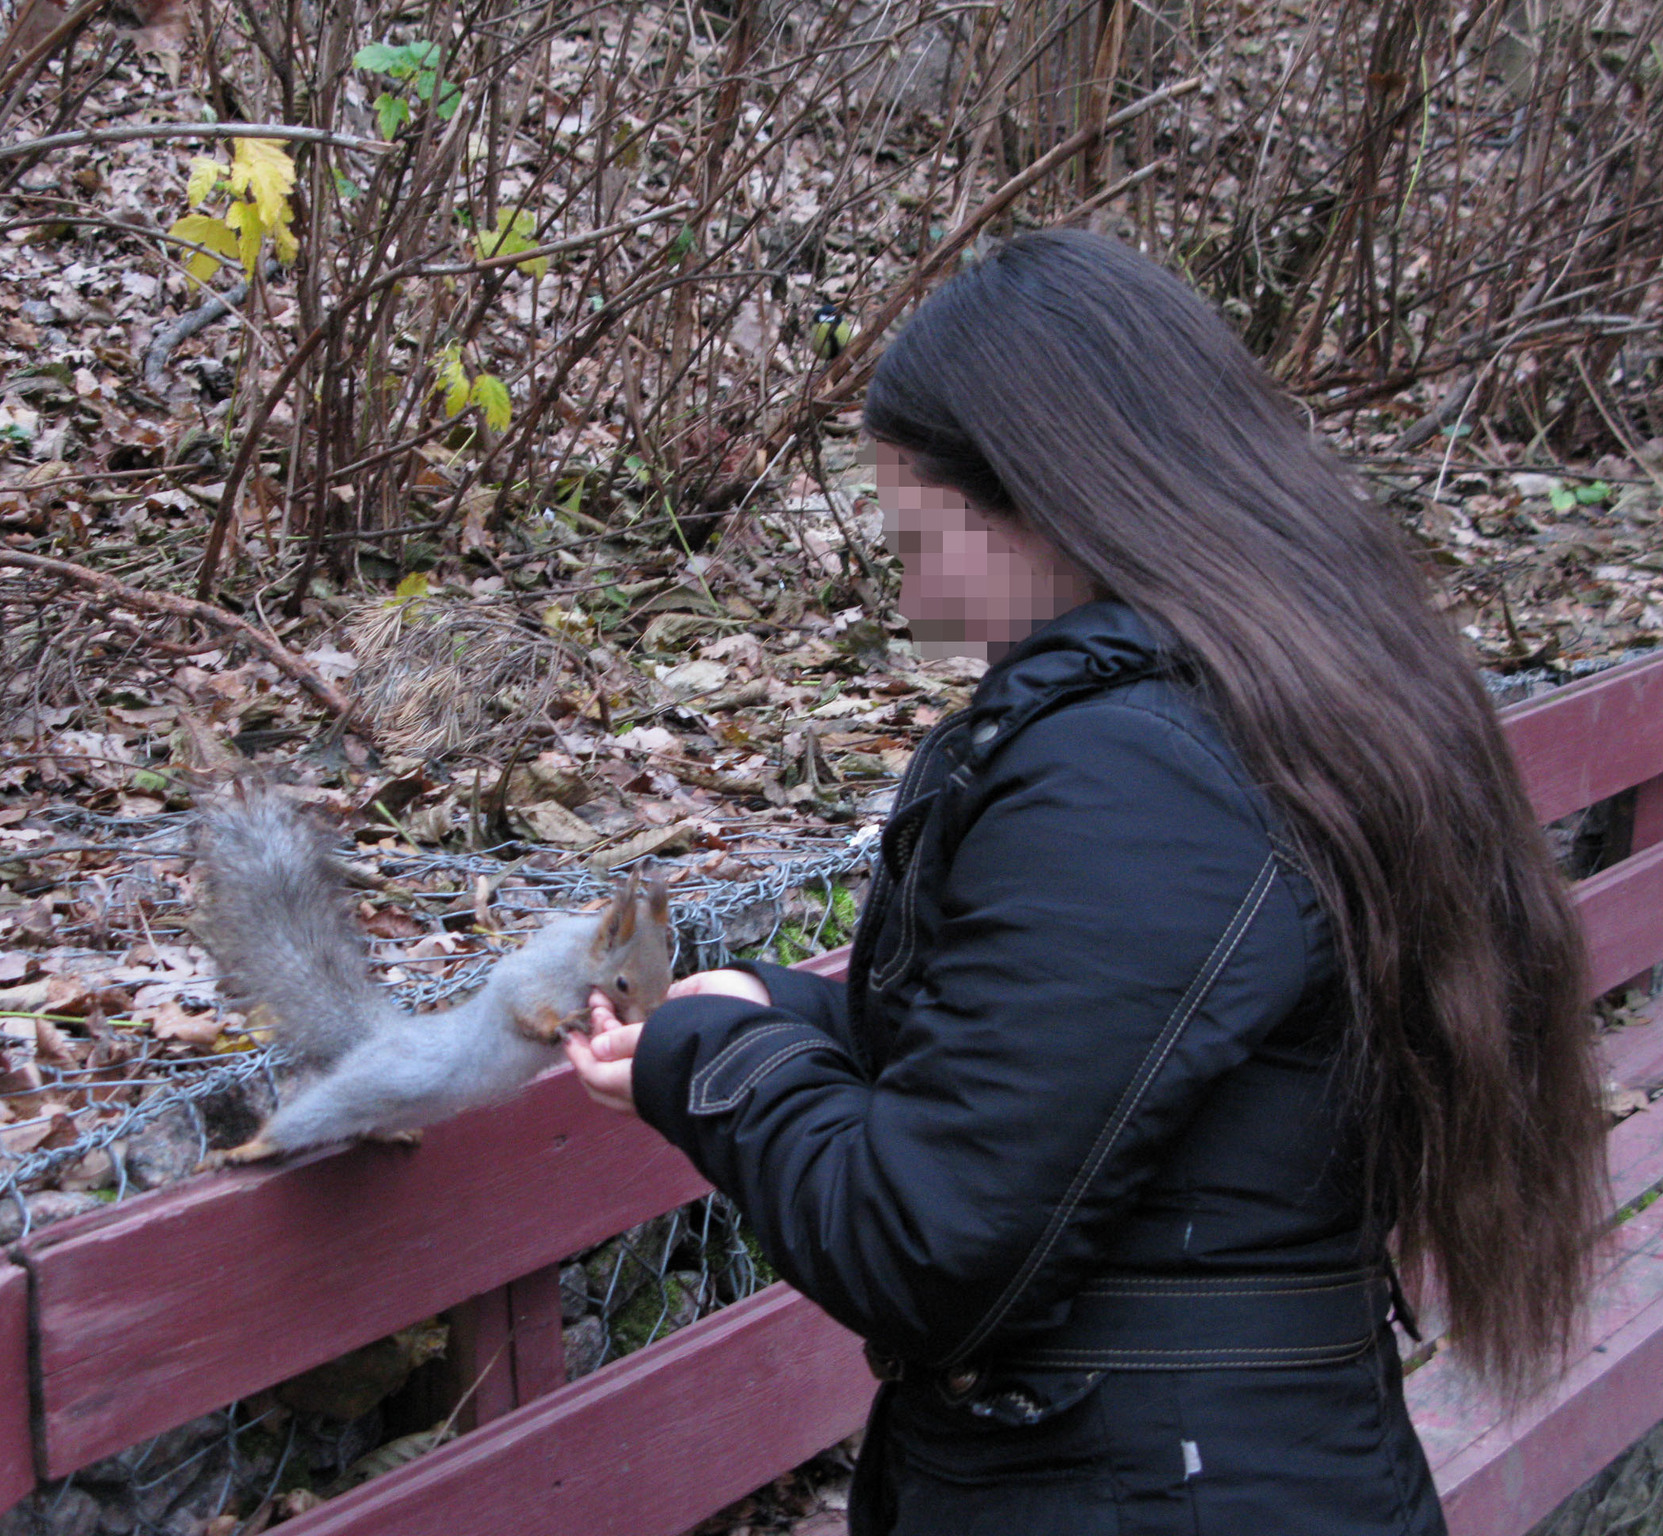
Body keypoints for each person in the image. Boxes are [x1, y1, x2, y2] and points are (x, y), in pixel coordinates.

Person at [563, 228, 1607, 1534]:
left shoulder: (1141, 774)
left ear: (1046, 503)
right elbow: (1103, 1074)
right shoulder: (1268, 699)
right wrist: (780, 1012)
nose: (915, 599)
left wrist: (709, 1062)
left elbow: (925, 1245)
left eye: (918, 539)